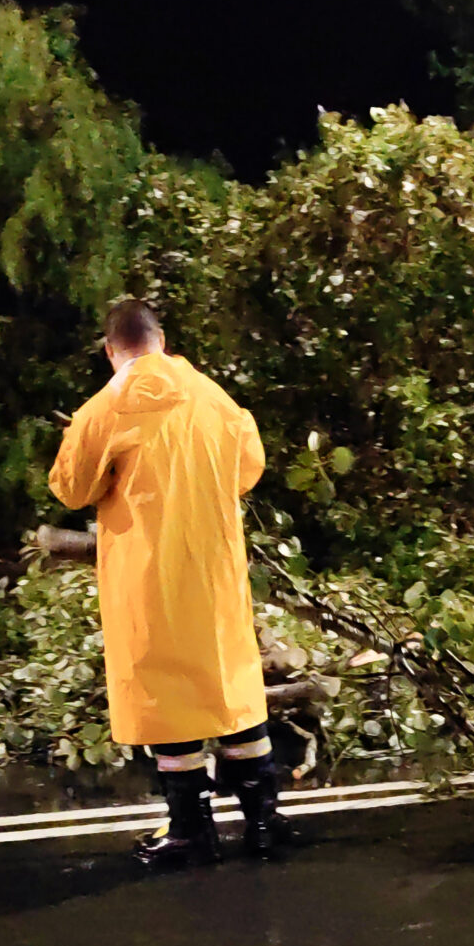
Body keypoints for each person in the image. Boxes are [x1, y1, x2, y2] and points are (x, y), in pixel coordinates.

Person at [49, 299, 295, 867]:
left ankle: (191, 832)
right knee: (229, 687)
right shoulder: (215, 398)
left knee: (167, 698)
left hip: (146, 576)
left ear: (111, 351)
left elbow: (72, 489)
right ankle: (262, 824)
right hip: (213, 569)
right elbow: (247, 470)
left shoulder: (103, 410)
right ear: (163, 339)